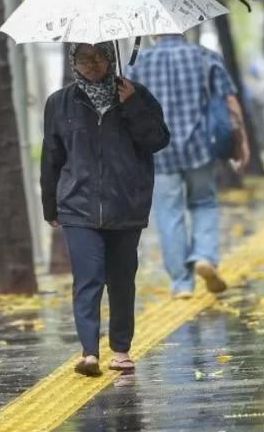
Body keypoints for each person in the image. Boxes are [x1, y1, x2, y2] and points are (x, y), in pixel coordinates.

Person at [41, 42, 170, 376]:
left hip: (126, 202)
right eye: (85, 58)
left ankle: (122, 349)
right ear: (74, 61)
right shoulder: (60, 102)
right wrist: (49, 204)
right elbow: (51, 156)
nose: (93, 64)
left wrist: (132, 105)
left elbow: (157, 140)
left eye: (100, 57)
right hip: (77, 205)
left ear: (111, 58)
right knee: (88, 278)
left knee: (122, 279)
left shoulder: (135, 94)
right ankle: (89, 352)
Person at [127, 34, 250, 299]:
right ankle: (204, 255)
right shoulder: (206, 57)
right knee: (204, 202)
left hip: (158, 151)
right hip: (201, 148)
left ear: (154, 32)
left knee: (168, 214)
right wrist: (242, 144)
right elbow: (230, 104)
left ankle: (182, 284)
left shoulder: (138, 64)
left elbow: (128, 108)